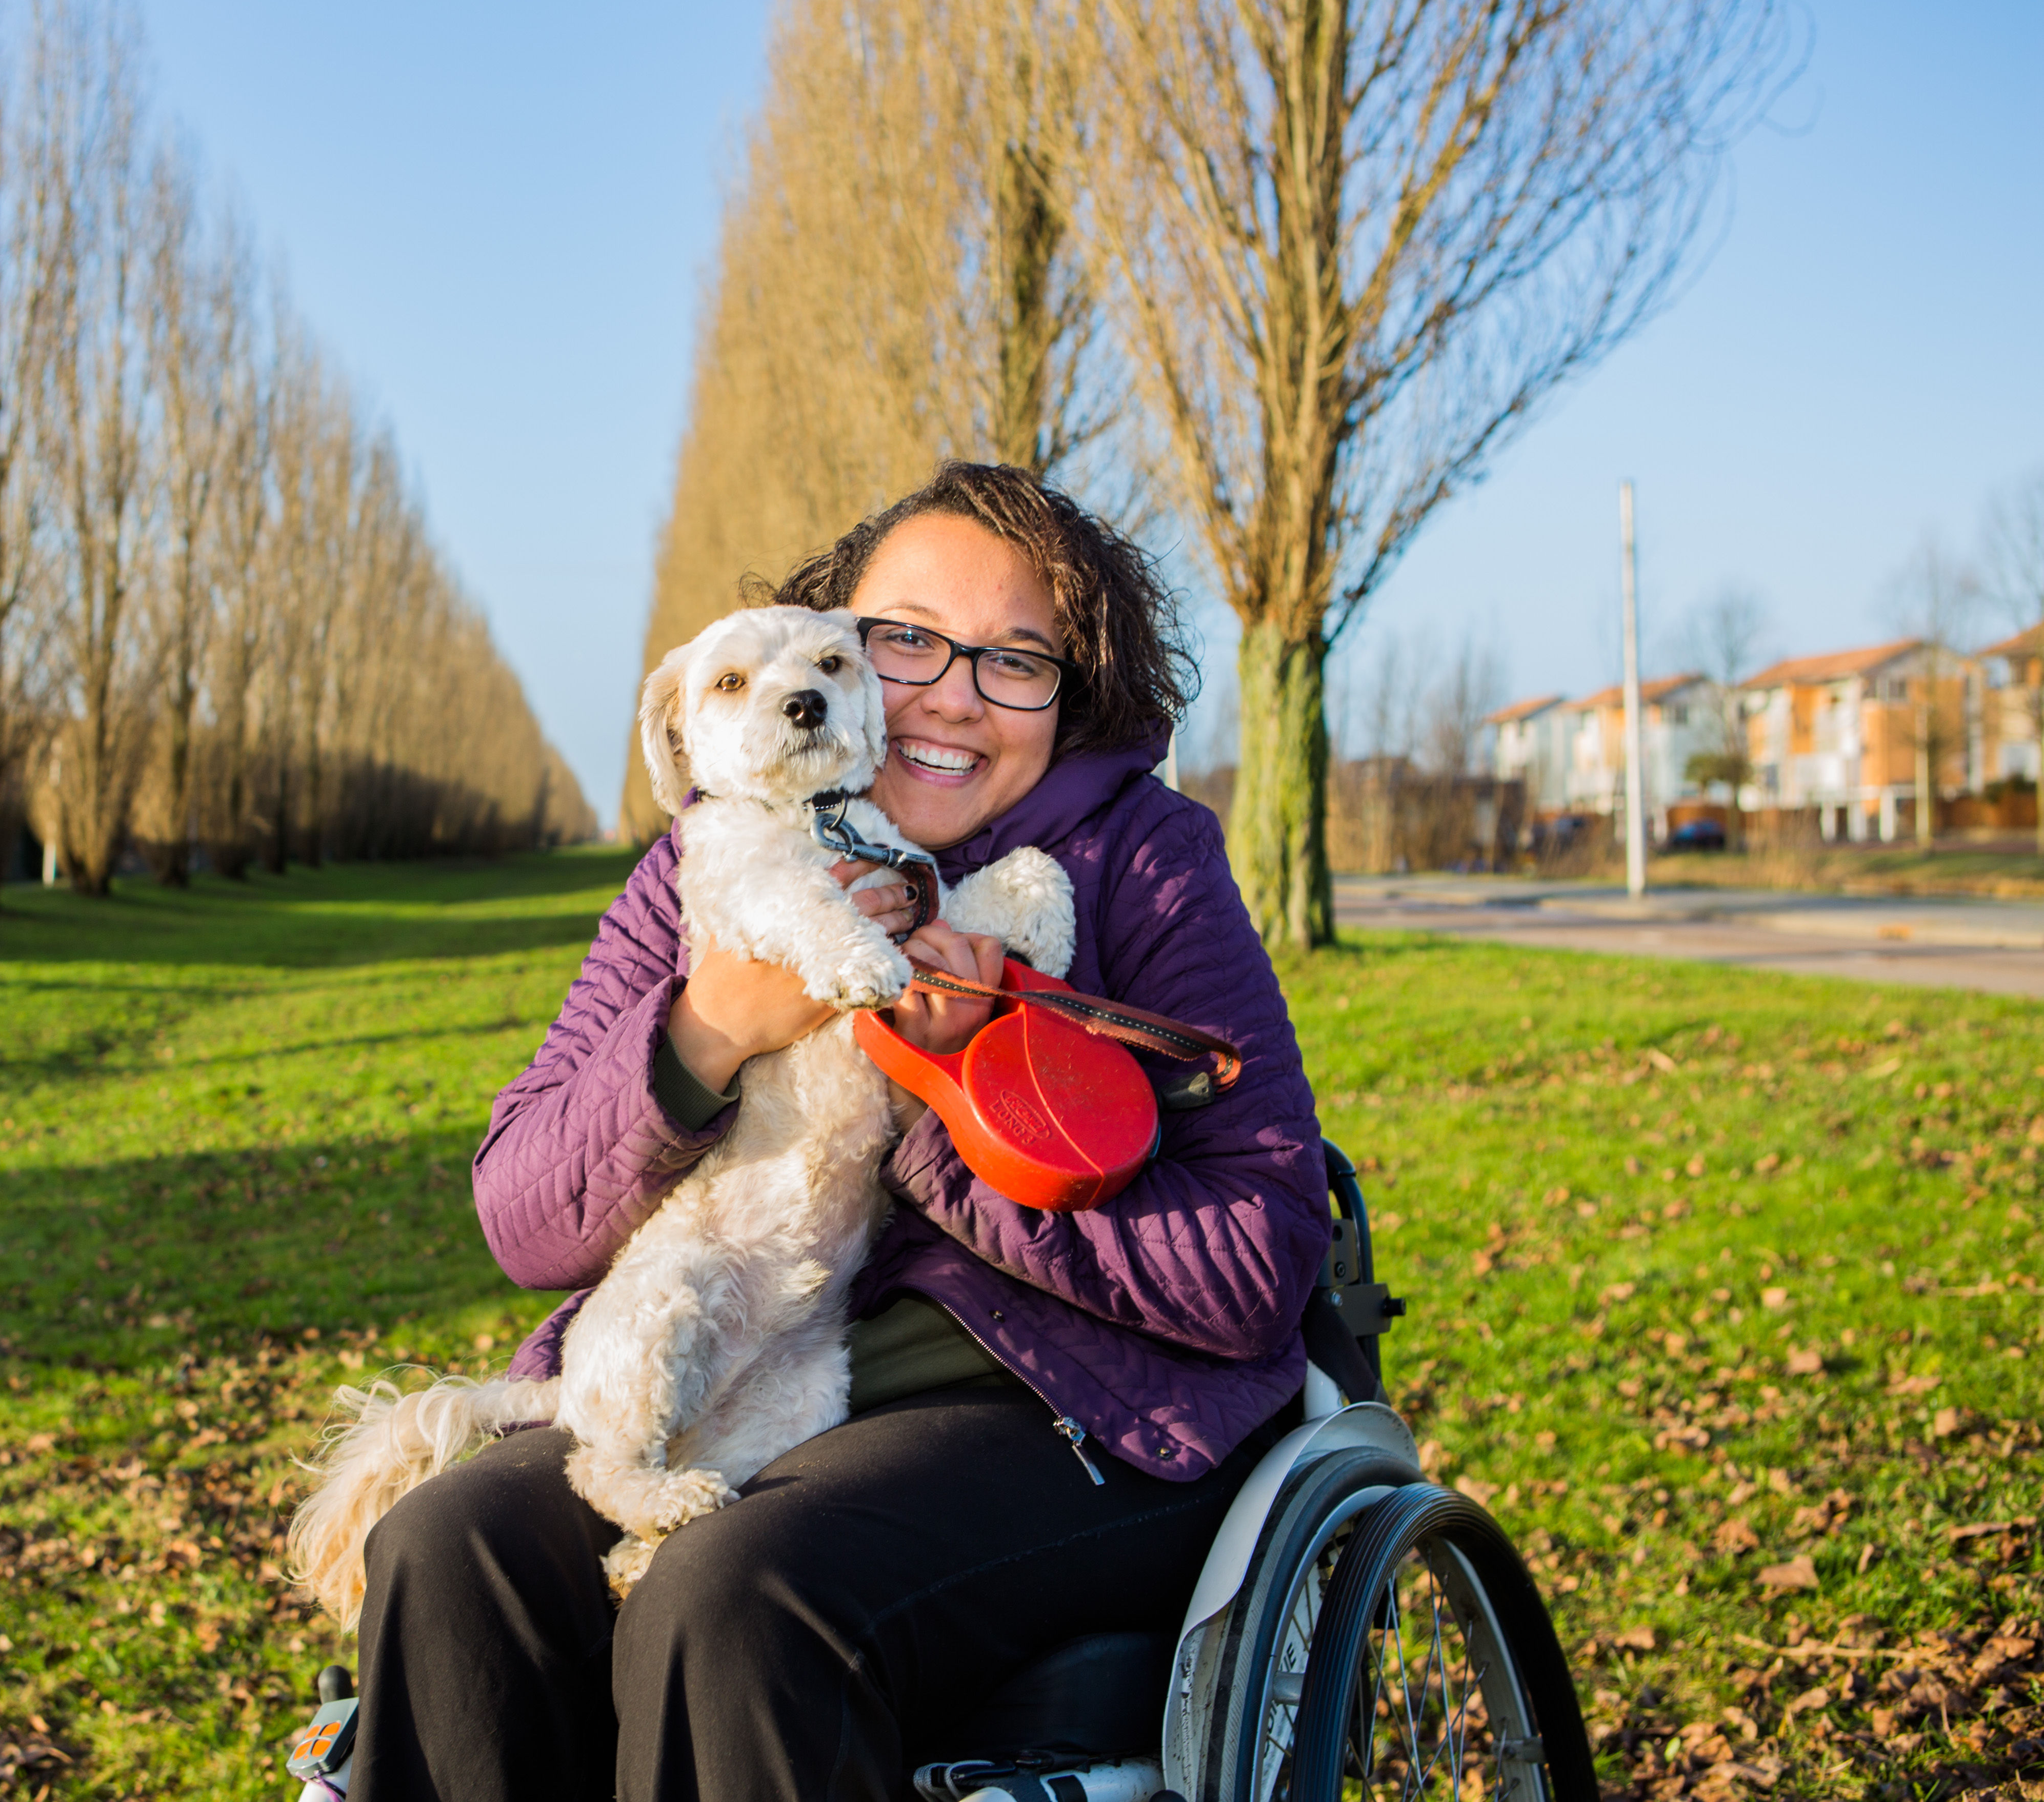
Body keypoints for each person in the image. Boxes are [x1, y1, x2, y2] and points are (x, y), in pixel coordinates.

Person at [348, 461, 1331, 1802]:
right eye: (903, 641)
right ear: (830, 655)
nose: (944, 696)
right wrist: (708, 1032)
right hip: (736, 1370)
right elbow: (523, 1216)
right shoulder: (699, 867)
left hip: (1053, 1407)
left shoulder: (1144, 865)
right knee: (452, 1538)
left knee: (733, 1592)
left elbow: (1253, 1272)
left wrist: (936, 1100)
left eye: (1015, 661)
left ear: (1075, 693)